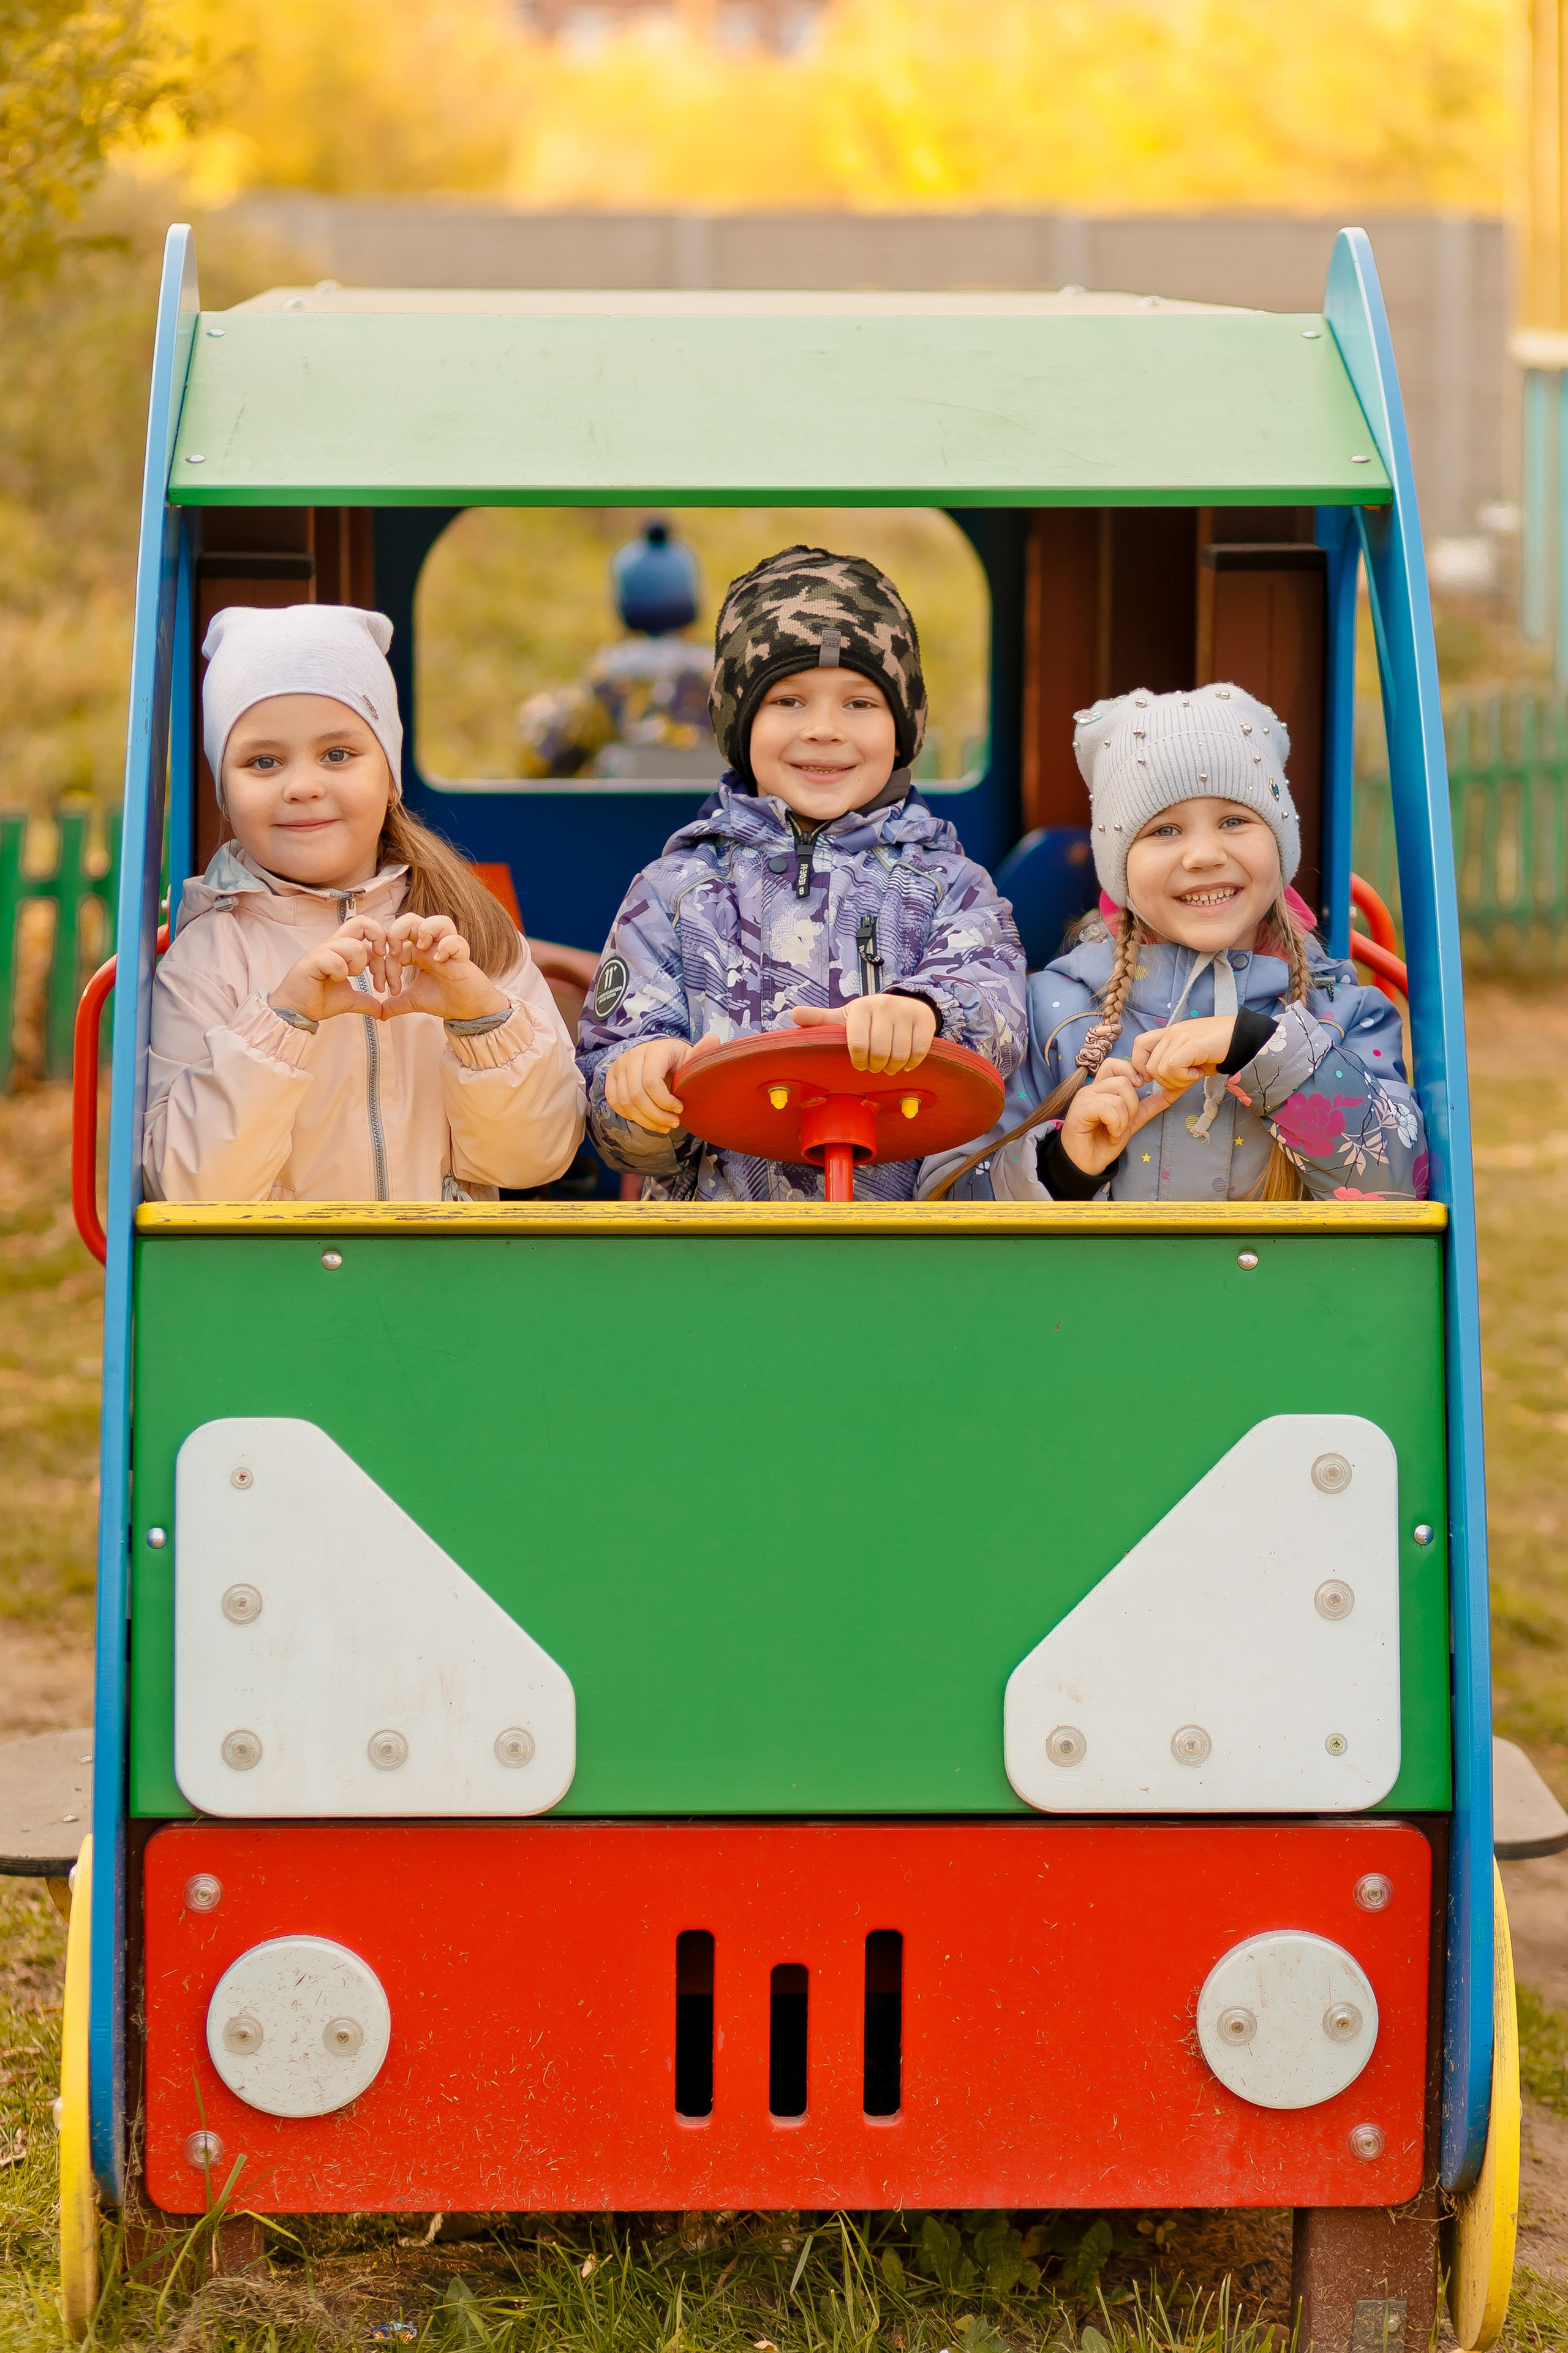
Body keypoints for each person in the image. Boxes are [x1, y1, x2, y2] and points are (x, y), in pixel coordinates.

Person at [577, 544, 1027, 1203]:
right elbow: (611, 1116)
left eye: (859, 704)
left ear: (903, 731)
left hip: (904, 1257)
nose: (822, 729)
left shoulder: (950, 887)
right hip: (715, 1262)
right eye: (788, 700)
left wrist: (926, 1013)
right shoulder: (676, 892)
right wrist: (641, 1086)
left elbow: (998, 1012)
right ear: (739, 722)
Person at [144, 604, 586, 1203]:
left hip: (446, 1284)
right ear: (225, 790)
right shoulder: (208, 956)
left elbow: (538, 1155)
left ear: (390, 774)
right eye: (263, 762)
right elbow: (187, 1187)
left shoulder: (467, 925)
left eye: (337, 754)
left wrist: (480, 1019)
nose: (302, 785)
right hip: (282, 1290)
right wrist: (284, 1023)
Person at [923, 682, 1428, 1204]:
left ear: (1280, 844)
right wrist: (1063, 1167)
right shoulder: (1051, 1019)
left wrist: (1264, 1049)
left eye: (1235, 821)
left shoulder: (1342, 1011)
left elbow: (1398, 1189)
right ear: (1118, 864)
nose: (1203, 855)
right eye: (1164, 830)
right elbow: (950, 1205)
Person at [516, 519, 720, 781]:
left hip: (626, 822)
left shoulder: (605, 686)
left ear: (621, 610)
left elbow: (540, 760)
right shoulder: (726, 684)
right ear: (694, 608)